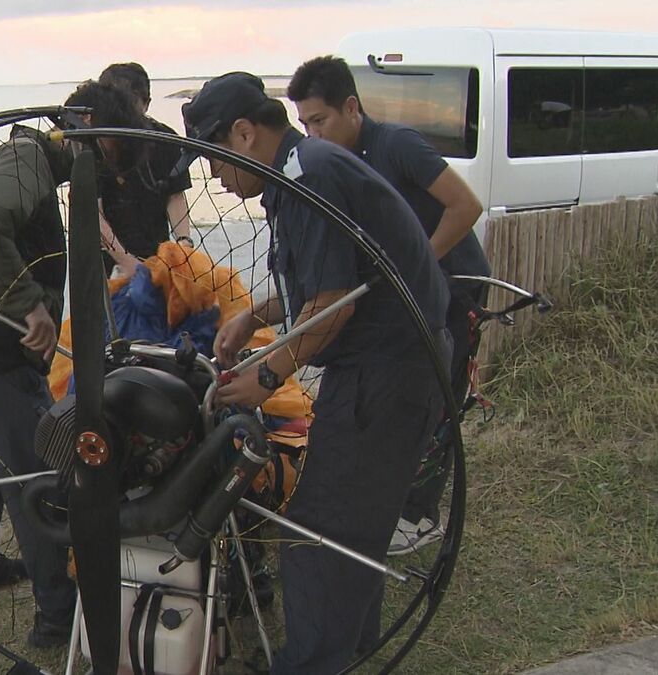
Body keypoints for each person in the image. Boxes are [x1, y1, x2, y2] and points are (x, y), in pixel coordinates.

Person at [182, 72, 451, 672]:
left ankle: (310, 664)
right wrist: (251, 314)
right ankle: (350, 648)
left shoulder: (311, 175)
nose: (220, 183)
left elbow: (334, 303)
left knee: (318, 531)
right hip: (396, 368)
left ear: (245, 134)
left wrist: (270, 375)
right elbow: (315, 286)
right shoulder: (303, 168)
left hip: (385, 374)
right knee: (356, 525)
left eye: (217, 162)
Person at [0, 81, 146, 648]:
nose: (100, 174)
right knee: (33, 478)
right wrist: (31, 305)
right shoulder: (25, 161)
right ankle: (57, 616)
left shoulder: (35, 165)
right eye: (102, 157)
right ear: (79, 125)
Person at [288, 55, 492, 553]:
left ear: (352, 107)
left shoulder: (395, 144)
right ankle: (389, 503)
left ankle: (420, 516)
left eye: (320, 120)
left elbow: (465, 206)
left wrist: (414, 262)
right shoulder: (333, 163)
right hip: (407, 292)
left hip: (452, 284)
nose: (312, 135)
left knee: (438, 402)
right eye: (304, 125)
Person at [95, 62, 194, 277]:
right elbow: (94, 211)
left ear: (146, 103)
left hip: (156, 251)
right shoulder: (94, 144)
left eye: (129, 105)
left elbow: (175, 195)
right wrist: (126, 262)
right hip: (102, 259)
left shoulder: (165, 139)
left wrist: (184, 243)